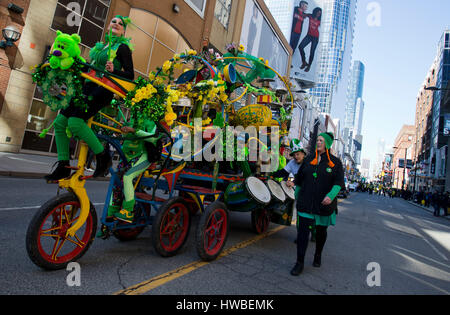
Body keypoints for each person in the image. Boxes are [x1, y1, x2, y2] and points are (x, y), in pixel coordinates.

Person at [45, 15, 135, 181]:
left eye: (120, 24)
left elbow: (130, 75)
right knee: (60, 122)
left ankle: (103, 157)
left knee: (75, 122)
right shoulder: (100, 48)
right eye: (113, 21)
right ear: (108, 26)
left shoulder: (122, 48)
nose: (116, 24)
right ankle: (64, 165)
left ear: (123, 32)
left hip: (104, 89)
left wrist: (113, 70)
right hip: (87, 87)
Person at [287, 132, 345, 276]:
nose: (318, 142)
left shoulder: (335, 163)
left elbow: (338, 183)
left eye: (321, 140)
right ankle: (299, 262)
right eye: (317, 140)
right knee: (302, 233)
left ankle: (318, 254)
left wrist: (330, 196)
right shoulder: (308, 160)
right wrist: (293, 186)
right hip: (306, 202)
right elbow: (299, 179)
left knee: (320, 232)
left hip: (323, 205)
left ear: (327, 143)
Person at [298, 7, 322, 72]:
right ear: (315, 12)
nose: (318, 14)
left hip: (315, 38)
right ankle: (304, 62)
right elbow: (304, 15)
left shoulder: (320, 21)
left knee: (312, 52)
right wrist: (302, 14)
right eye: (318, 12)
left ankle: (309, 66)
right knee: (300, 47)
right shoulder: (310, 16)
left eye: (320, 13)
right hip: (309, 36)